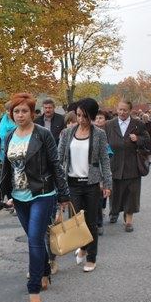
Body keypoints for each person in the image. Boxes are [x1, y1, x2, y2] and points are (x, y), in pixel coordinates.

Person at [0, 93, 70, 302]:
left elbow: (55, 164)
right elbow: (5, 167)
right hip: (19, 197)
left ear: (32, 113)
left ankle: (34, 288)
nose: (20, 115)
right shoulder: (9, 136)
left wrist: (63, 194)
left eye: (24, 111)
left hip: (42, 193)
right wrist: (2, 192)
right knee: (35, 238)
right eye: (16, 111)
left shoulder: (42, 134)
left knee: (34, 240)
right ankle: (45, 271)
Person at [56, 98, 112, 273]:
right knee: (76, 222)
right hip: (72, 184)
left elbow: (104, 160)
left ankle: (91, 258)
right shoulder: (67, 133)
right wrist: (58, 183)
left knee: (91, 222)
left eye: (85, 116)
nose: (80, 119)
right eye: (78, 115)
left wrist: (107, 183)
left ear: (92, 116)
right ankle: (83, 246)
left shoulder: (99, 134)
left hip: (91, 184)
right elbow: (59, 159)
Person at [104, 101, 151, 232]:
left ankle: (129, 220)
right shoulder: (109, 124)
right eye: (120, 109)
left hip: (132, 164)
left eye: (125, 110)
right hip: (114, 163)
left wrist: (138, 139)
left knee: (131, 193)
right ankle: (114, 212)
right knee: (115, 192)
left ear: (130, 110)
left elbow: (147, 140)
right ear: (117, 109)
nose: (122, 112)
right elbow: (104, 142)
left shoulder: (138, 124)